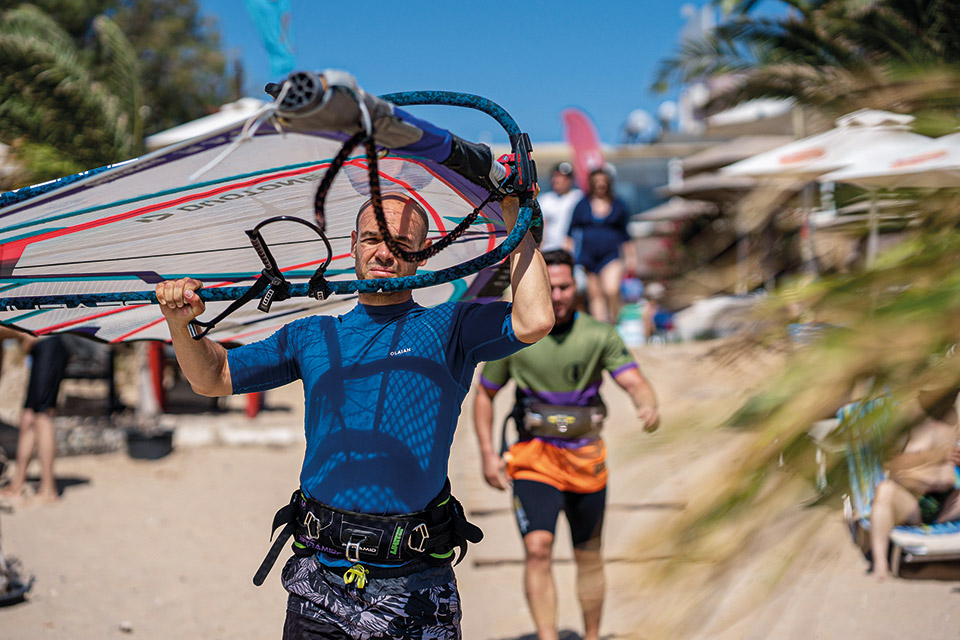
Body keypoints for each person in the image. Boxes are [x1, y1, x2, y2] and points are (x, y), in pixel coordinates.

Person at [154, 193, 553, 639]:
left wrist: (517, 220)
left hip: (415, 584)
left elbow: (534, 319)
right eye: (371, 239)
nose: (383, 252)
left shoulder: (451, 327)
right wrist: (181, 323)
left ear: (422, 255)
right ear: (352, 246)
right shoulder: (312, 335)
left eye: (401, 243)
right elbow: (214, 376)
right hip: (319, 583)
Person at [472, 249, 659, 640]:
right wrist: (489, 454)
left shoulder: (598, 335)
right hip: (533, 457)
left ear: (576, 287)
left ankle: (591, 636)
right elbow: (485, 394)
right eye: (550, 286)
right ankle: (547, 636)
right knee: (538, 549)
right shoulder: (516, 335)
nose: (556, 295)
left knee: (588, 557)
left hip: (586, 458)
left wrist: (646, 404)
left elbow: (633, 379)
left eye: (563, 286)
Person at [870, 387, 960, 580]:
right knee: (885, 490)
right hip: (913, 503)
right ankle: (880, 562)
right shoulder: (908, 417)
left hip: (947, 504)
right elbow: (892, 467)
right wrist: (935, 458)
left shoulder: (954, 417)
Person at [564, 167, 637, 325]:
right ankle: (602, 328)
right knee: (595, 295)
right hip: (587, 256)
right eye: (597, 182)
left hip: (611, 254)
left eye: (603, 182)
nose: (600, 186)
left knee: (611, 289)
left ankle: (615, 322)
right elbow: (570, 232)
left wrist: (631, 257)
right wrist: (567, 255)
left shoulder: (618, 205)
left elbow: (626, 235)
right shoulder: (582, 205)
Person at [0, 331, 66, 505]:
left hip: (49, 344)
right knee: (27, 417)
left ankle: (49, 489)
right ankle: (17, 484)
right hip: (39, 350)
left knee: (42, 417)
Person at [537, 162, 581, 253]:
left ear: (570, 180)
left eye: (562, 177)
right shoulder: (545, 200)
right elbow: (541, 228)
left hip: (575, 251)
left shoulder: (579, 198)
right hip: (549, 250)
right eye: (555, 176)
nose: (557, 180)